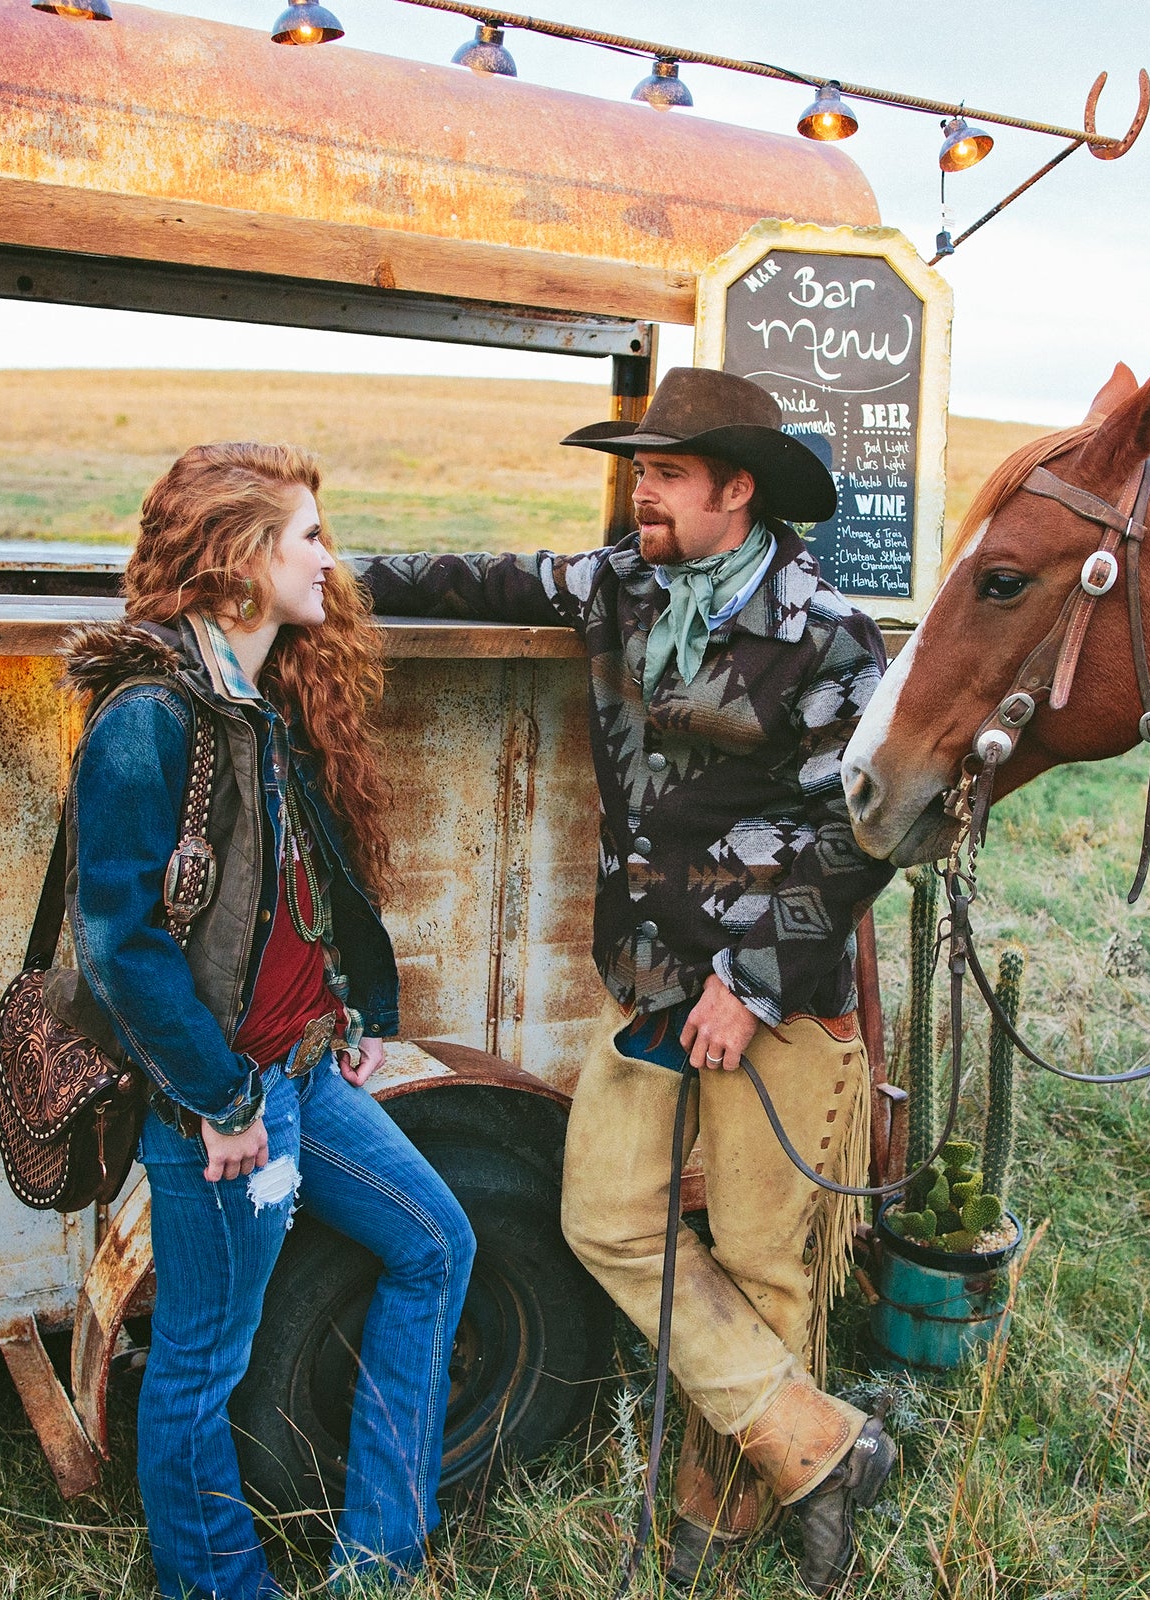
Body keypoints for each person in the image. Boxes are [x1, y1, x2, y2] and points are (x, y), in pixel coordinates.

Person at [356, 369, 899, 1593]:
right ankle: (824, 1446)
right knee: (600, 1212)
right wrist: (316, 577)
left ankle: (728, 1509)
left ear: (737, 489)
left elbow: (861, 834)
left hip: (777, 1000)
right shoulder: (618, 584)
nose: (640, 493)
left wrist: (750, 982)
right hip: (648, 982)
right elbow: (477, 579)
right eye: (638, 471)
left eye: (666, 474)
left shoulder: (828, 633)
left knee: (761, 1258)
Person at [60, 443, 476, 1599]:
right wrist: (221, 1100)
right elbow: (120, 943)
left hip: (301, 1075)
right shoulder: (149, 717)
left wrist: (349, 1006)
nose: (330, 559)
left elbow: (291, 892)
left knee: (436, 1243)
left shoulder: (258, 697)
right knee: (202, 1364)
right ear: (242, 558)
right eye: (308, 537)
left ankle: (378, 1562)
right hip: (224, 1109)